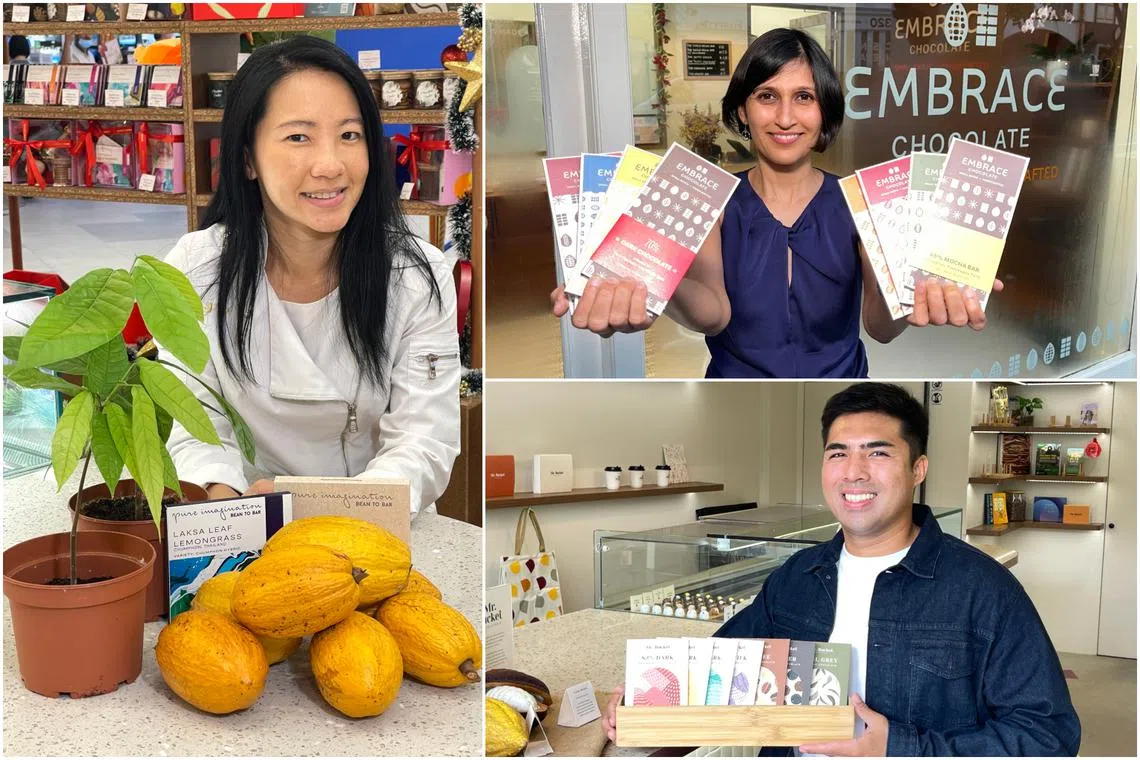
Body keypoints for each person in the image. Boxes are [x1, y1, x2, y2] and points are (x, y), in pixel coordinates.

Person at [602, 383, 1080, 756]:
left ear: (918, 469)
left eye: (877, 452)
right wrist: (649, 709)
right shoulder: (795, 580)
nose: (854, 471)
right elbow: (716, 679)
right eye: (837, 453)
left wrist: (898, 749)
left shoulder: (984, 591)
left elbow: (1047, 737)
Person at [551, 28, 1003, 378]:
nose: (785, 117)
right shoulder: (712, 199)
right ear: (744, 111)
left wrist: (916, 294)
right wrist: (650, 288)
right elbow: (713, 313)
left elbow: (880, 328)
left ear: (823, 109)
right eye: (767, 96)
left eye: (803, 97)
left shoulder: (860, 202)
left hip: (842, 392)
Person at [164, 36, 459, 515]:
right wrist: (226, 503)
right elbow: (194, 423)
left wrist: (336, 512)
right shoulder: (195, 269)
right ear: (247, 157)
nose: (331, 165)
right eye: (298, 137)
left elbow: (425, 440)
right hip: (244, 523)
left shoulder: (416, 275)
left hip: (377, 522)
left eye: (350, 135)